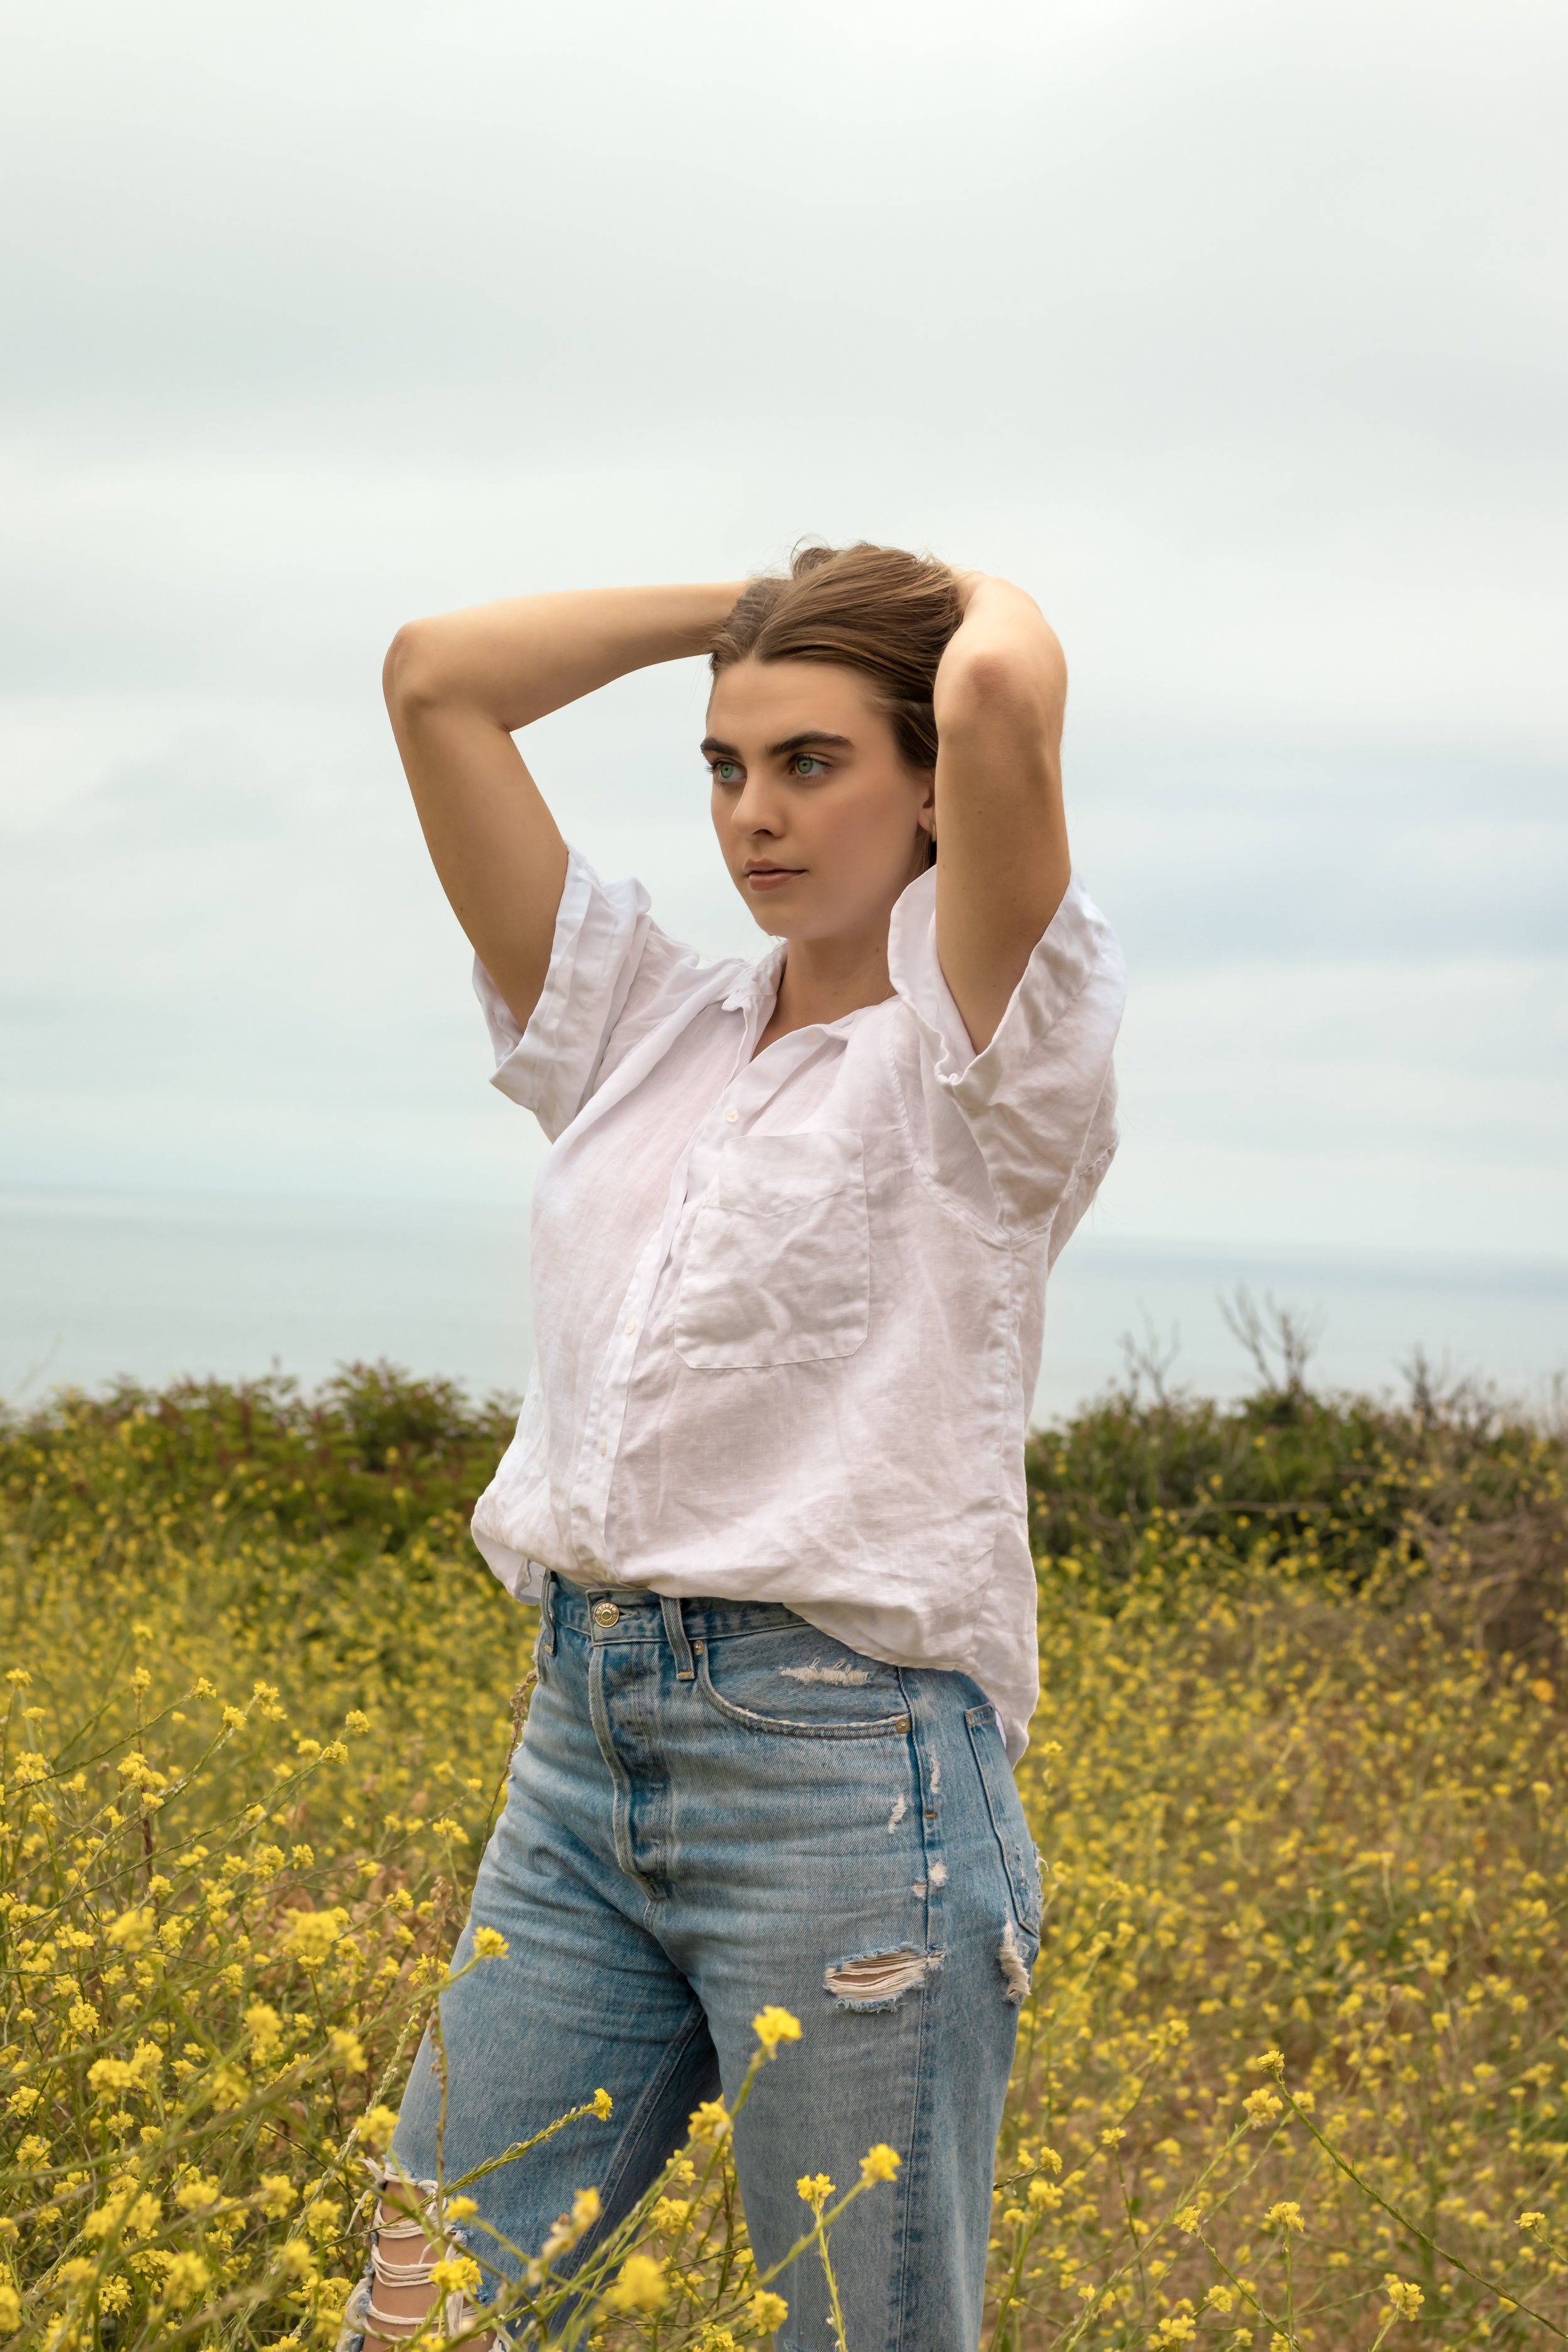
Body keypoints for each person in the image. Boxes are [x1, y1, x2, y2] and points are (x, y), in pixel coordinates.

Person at [346, 543, 1125, 2352]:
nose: (752, 816)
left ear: (930, 781)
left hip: (850, 1778)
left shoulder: (986, 1050)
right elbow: (434, 678)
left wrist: (942, 584)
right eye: (723, 765)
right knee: (414, 2315)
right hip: (580, 1745)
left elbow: (1003, 686)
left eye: (811, 762)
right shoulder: (642, 1017)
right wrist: (745, 614)